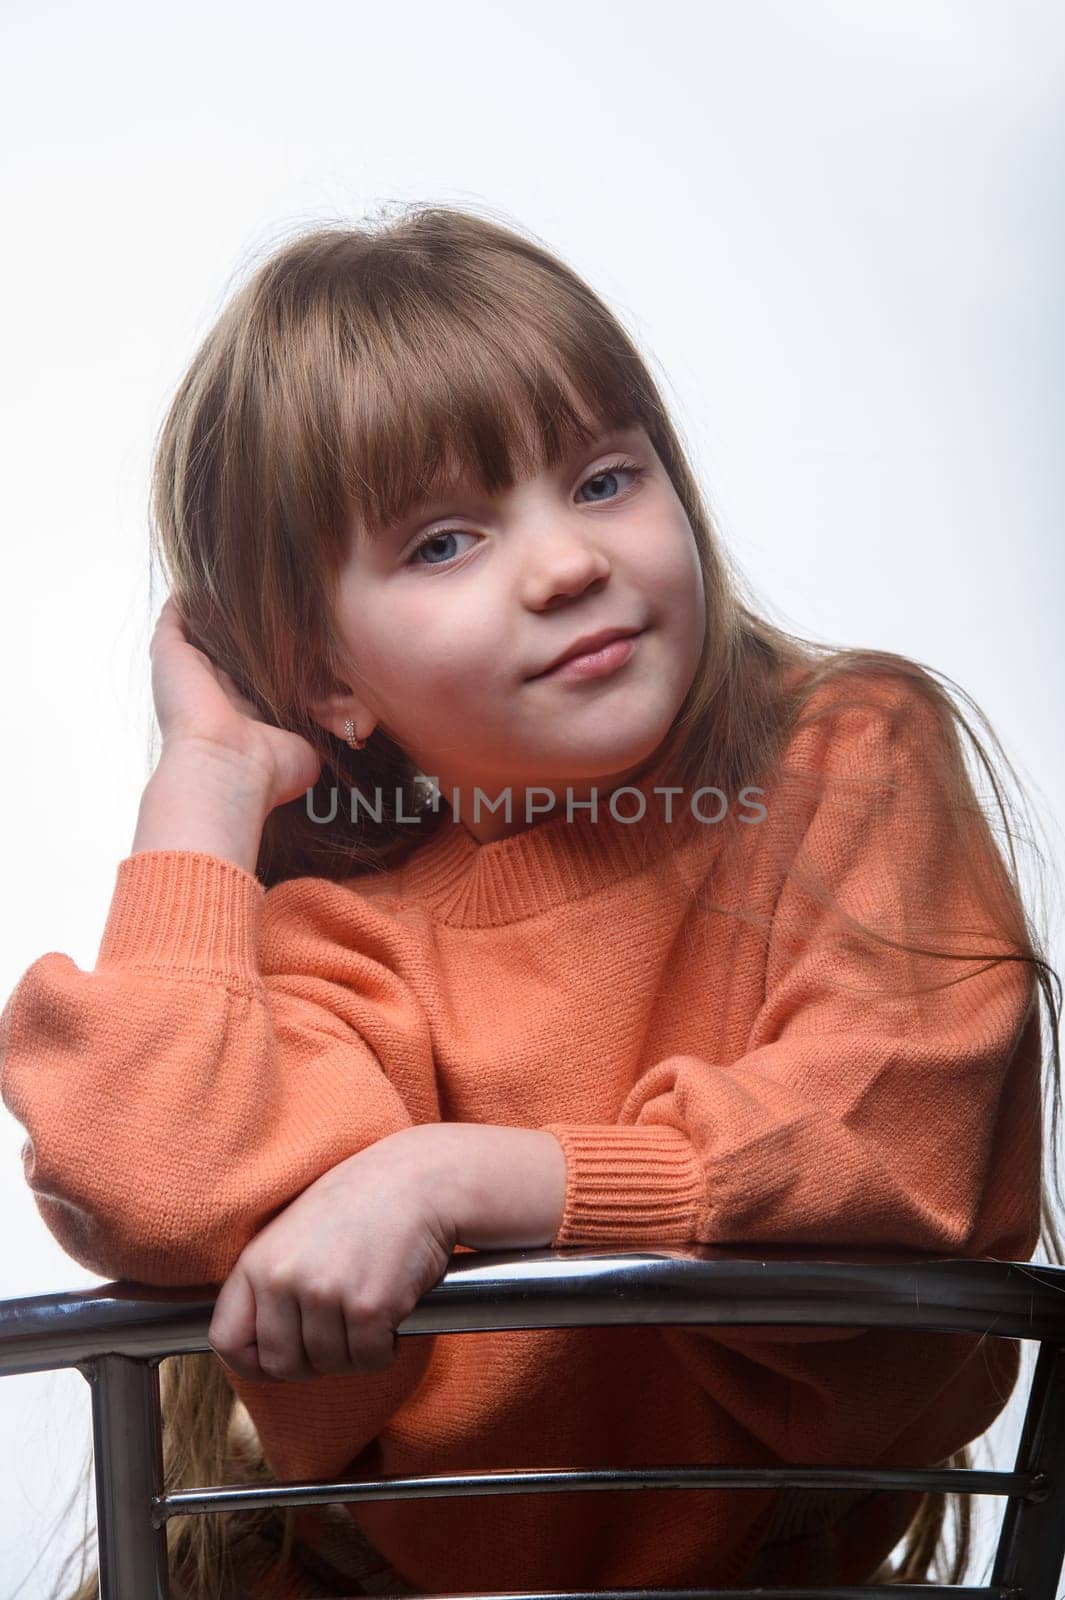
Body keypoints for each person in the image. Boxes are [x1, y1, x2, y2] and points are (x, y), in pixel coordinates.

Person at [0, 202, 1059, 1599]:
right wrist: (203, 779)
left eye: (606, 478)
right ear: (329, 677)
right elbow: (156, 1179)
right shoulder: (344, 934)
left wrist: (467, 1182)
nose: (567, 564)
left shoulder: (845, 761)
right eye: (442, 542)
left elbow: (890, 1147)